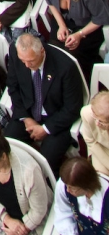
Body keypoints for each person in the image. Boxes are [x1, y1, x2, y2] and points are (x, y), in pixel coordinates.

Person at [5, 31, 86, 171]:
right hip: (28, 112)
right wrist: (26, 118)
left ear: (42, 51)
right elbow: (13, 87)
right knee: (8, 146)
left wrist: (45, 129)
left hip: (56, 119)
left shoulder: (65, 67)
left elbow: (72, 108)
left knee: (45, 162)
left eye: (31, 61)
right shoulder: (15, 52)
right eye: (23, 61)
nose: (26, 65)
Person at [38, 0, 109, 80]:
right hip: (64, 19)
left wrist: (79, 34)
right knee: (54, 49)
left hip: (89, 25)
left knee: (73, 54)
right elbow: (50, 3)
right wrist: (61, 25)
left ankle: (82, 78)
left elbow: (101, 17)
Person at [81, 90, 109, 178]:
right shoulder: (87, 113)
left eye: (101, 121)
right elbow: (91, 142)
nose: (97, 123)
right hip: (100, 149)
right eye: (95, 117)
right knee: (101, 178)